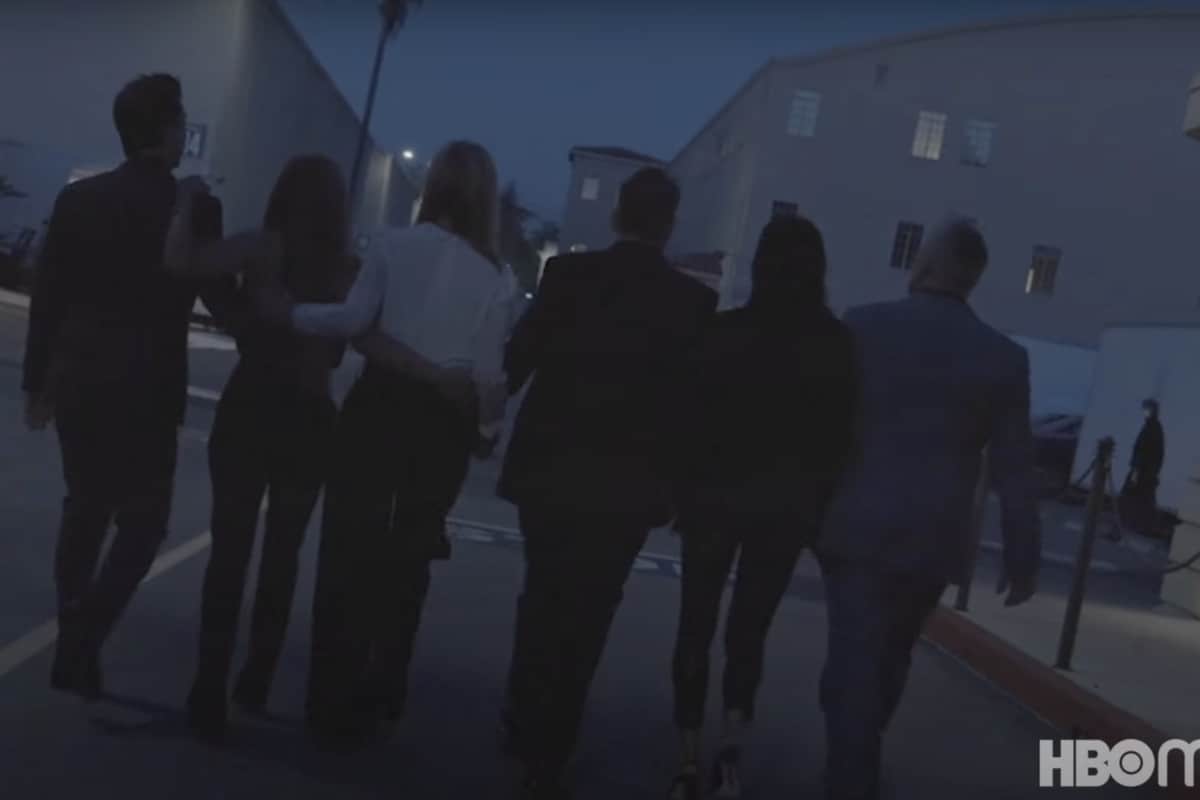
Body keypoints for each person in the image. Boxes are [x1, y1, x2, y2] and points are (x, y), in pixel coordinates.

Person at [277, 140, 515, 747]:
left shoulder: (391, 245)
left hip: (378, 406)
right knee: (409, 554)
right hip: (441, 425)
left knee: (346, 550)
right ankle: (385, 683)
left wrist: (294, 314)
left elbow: (354, 321)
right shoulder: (497, 276)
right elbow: (489, 375)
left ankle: (329, 695)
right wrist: (486, 432)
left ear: (433, 187)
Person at [498, 167, 718, 800]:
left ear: (619, 214)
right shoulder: (691, 304)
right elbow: (691, 408)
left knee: (543, 594)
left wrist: (483, 413)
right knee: (591, 611)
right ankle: (553, 745)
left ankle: (524, 714)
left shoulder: (567, 276)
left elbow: (520, 357)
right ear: (669, 225)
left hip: (551, 466)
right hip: (628, 482)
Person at [22, 73, 244, 700]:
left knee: (84, 507)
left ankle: (74, 627)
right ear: (169, 131)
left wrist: (36, 383)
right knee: (143, 525)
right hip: (149, 381)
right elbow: (221, 299)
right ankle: (84, 637)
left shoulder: (79, 200)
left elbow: (49, 297)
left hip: (80, 375)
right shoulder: (194, 207)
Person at [815, 219, 1041, 800]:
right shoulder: (1003, 357)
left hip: (858, 522)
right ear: (972, 277)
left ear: (928, 264)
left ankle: (851, 776)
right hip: (934, 536)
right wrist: (1022, 554)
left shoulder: (863, 326)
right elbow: (1016, 467)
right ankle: (859, 758)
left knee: (852, 664)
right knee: (889, 658)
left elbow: (824, 426)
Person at [163, 155, 357, 741]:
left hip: (251, 405)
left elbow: (181, 262)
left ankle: (208, 687)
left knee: (229, 551)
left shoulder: (261, 246)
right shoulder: (349, 268)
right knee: (283, 554)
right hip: (310, 416)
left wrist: (184, 204)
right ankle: (257, 676)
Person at [666, 216, 857, 800]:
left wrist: (682, 489)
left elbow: (688, 419)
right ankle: (730, 751)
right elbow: (839, 440)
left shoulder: (723, 332)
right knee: (749, 632)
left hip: (713, 497)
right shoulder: (835, 345)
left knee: (695, 624)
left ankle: (686, 757)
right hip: (784, 507)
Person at [1124, 398, 1165, 536]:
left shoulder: (1153, 428)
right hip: (1143, 471)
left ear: (1154, 411)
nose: (1145, 412)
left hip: (1143, 471)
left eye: (1148, 409)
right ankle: (1141, 526)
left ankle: (1143, 527)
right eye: (1144, 409)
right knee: (1141, 499)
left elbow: (1149, 452)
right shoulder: (1150, 427)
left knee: (1135, 497)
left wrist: (1138, 470)